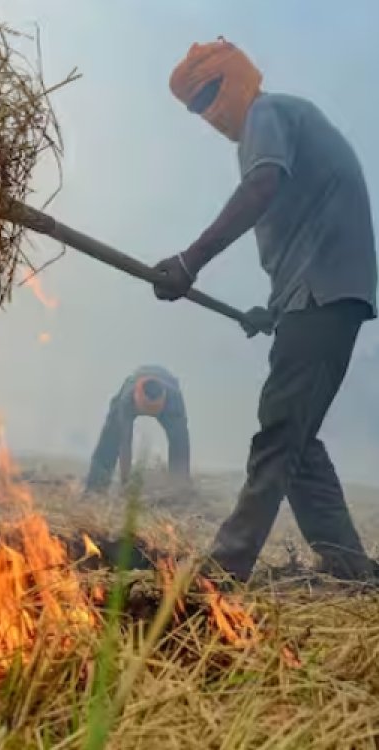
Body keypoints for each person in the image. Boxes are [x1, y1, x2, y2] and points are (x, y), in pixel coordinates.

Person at [152, 38, 377, 582]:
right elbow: (306, 231)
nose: (209, 111)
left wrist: (191, 259)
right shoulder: (277, 122)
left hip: (324, 296)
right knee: (296, 438)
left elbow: (261, 188)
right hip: (314, 298)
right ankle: (351, 570)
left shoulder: (267, 113)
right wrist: (271, 313)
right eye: (196, 106)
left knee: (278, 432)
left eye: (210, 93)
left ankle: (227, 566)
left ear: (238, 77)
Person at [85, 365, 190, 493]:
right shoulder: (126, 400)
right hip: (134, 383)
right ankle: (95, 488)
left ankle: (180, 491)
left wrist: (180, 481)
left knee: (179, 443)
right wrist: (125, 482)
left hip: (168, 390)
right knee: (110, 439)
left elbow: (182, 446)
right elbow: (124, 443)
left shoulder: (174, 402)